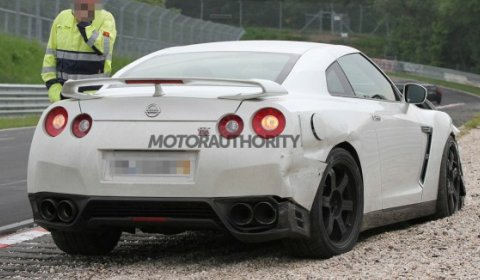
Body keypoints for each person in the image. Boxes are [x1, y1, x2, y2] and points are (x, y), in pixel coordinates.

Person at [41, 0, 116, 102]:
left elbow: (105, 48)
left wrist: (84, 24)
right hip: (63, 97)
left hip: (93, 97)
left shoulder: (106, 18)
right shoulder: (62, 17)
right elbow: (49, 59)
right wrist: (56, 93)